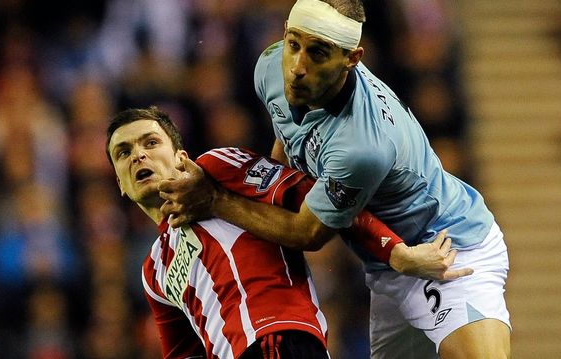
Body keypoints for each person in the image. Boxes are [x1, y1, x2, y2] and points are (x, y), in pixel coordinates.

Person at [158, 0, 511, 358]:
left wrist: (215, 200)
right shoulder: (270, 67)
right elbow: (288, 150)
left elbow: (307, 232)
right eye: (293, 43)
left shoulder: (360, 146)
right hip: (388, 265)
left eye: (318, 53)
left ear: (352, 59)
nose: (297, 67)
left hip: (446, 247)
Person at [105, 106, 454, 359]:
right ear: (120, 183)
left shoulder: (216, 169)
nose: (138, 155)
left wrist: (394, 251)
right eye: (124, 152)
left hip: (277, 340)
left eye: (150, 143)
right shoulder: (154, 270)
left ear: (181, 156)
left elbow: (324, 198)